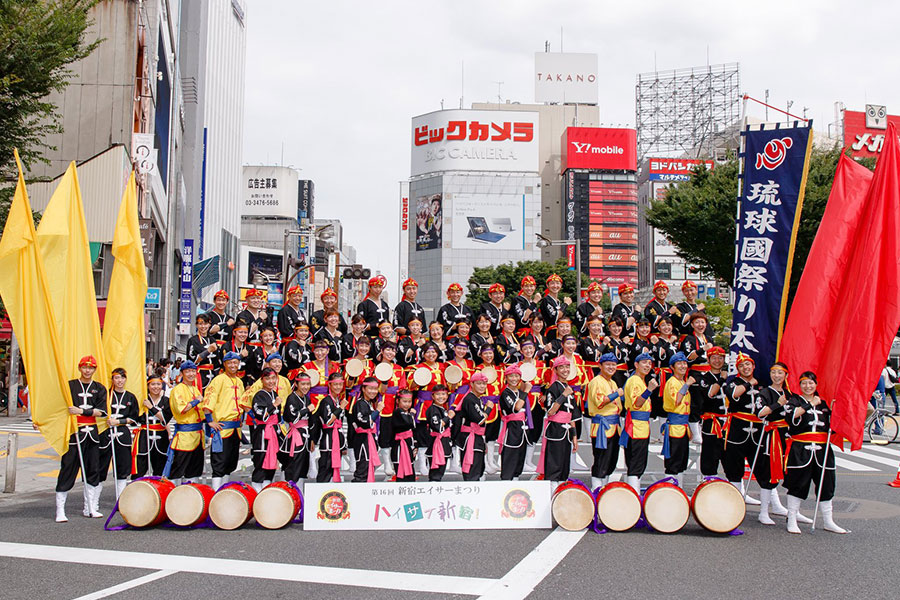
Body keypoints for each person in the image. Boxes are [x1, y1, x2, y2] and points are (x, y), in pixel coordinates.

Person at [783, 371, 847, 534]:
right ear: (800, 385)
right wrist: (809, 405)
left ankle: (828, 521)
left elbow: (833, 426)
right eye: (804, 383)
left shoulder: (824, 404)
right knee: (797, 483)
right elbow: (791, 417)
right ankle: (792, 518)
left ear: (816, 385)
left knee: (827, 484)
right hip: (801, 449)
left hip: (822, 450)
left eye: (811, 383)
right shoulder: (794, 401)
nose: (808, 386)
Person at [56, 356, 107, 522]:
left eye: (91, 368)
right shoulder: (70, 385)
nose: (87, 370)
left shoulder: (99, 388)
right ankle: (60, 510)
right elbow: (58, 406)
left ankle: (90, 507)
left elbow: (101, 412)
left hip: (91, 433)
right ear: (80, 368)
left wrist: (82, 411)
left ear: (94, 370)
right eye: (85, 367)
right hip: (73, 432)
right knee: (68, 468)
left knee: (93, 469)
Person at [723, 353, 774, 517]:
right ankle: (735, 506)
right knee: (734, 470)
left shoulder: (762, 385)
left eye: (748, 364)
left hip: (758, 433)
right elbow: (734, 394)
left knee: (764, 470)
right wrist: (748, 383)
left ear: (753, 366)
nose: (746, 367)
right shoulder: (732, 382)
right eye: (742, 365)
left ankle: (765, 511)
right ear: (737, 369)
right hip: (737, 431)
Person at [202, 351, 245, 490]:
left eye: (235, 362)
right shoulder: (218, 380)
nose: (233, 365)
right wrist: (210, 421)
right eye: (230, 362)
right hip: (222, 427)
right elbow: (209, 400)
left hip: (235, 428)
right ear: (225, 364)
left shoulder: (239, 381)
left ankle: (224, 489)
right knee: (219, 460)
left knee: (231, 462)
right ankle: (215, 491)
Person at [758, 361, 796, 519]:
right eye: (774, 372)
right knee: (769, 472)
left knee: (791, 472)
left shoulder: (790, 394)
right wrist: (777, 404)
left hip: (787, 435)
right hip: (772, 436)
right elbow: (760, 413)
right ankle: (763, 512)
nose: (777, 376)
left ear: (786, 375)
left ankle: (792, 512)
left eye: (780, 373)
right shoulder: (765, 392)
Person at [620, 353, 659, 494]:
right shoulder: (635, 381)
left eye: (650, 363)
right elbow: (637, 403)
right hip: (636, 427)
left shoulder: (640, 380)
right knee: (636, 463)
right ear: (636, 365)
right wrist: (649, 390)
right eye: (644, 362)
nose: (647, 365)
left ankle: (634, 491)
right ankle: (633, 494)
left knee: (638, 463)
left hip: (641, 426)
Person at [97, 368, 139, 499]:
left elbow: (134, 418)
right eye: (116, 378)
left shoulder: (130, 396)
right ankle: (93, 503)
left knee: (122, 468)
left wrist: (119, 421)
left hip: (122, 434)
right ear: (112, 379)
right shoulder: (106, 395)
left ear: (126, 379)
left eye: (122, 378)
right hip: (106, 434)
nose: (119, 381)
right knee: (100, 467)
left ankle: (120, 500)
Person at [538, 356, 581, 482]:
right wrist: (563, 396)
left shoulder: (568, 387)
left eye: (567, 367)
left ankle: (561, 492)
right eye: (561, 367)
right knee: (554, 465)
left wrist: (574, 437)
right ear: (555, 370)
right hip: (555, 430)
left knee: (564, 466)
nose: (565, 370)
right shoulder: (553, 388)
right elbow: (551, 411)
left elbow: (572, 414)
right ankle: (552, 493)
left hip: (567, 432)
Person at [162, 361, 205, 484]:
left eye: (193, 371)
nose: (191, 374)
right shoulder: (178, 390)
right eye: (188, 371)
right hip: (184, 435)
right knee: (178, 468)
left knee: (195, 469)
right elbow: (182, 409)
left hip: (198, 434)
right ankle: (175, 495)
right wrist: (196, 401)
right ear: (182, 373)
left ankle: (192, 495)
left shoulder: (195, 389)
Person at [585, 353, 622, 490]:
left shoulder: (612, 382)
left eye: (613, 365)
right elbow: (600, 402)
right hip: (602, 426)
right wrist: (617, 394)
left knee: (611, 460)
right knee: (601, 459)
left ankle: (604, 488)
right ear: (600, 366)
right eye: (608, 364)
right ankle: (596, 489)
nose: (611, 367)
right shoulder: (596, 381)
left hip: (614, 426)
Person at [248, 367, 283, 491]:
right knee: (261, 461)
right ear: (262, 380)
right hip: (263, 432)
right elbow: (261, 415)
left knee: (271, 464)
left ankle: (267, 490)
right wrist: (274, 405)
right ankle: (257, 491)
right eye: (267, 379)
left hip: (274, 430)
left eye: (273, 378)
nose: (271, 381)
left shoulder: (274, 394)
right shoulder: (259, 395)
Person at [661, 353, 693, 487]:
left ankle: (678, 489)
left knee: (681, 462)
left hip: (683, 426)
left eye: (684, 363)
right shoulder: (672, 382)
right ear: (672, 367)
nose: (683, 366)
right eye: (679, 363)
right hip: (675, 427)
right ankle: (670, 489)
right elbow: (677, 401)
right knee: (673, 462)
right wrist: (687, 385)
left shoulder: (680, 382)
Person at [696, 346, 728, 478]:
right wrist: (721, 380)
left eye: (720, 358)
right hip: (711, 422)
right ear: (708, 360)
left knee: (729, 455)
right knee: (710, 454)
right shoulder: (704, 378)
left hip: (727, 422)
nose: (717, 361)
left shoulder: (730, 377)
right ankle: (707, 483)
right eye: (714, 358)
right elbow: (710, 394)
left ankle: (736, 488)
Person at [132, 374, 172, 479]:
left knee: (160, 468)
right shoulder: (142, 399)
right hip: (144, 435)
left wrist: (151, 407)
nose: (156, 387)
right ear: (148, 385)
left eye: (158, 384)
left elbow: (165, 418)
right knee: (140, 466)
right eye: (153, 384)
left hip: (161, 435)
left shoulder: (166, 400)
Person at [279, 372, 314, 486]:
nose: (305, 387)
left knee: (303, 465)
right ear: (296, 384)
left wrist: (312, 438)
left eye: (308, 384)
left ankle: (299, 493)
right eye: (303, 384)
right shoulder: (292, 398)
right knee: (294, 464)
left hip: (305, 435)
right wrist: (306, 410)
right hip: (295, 435)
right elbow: (292, 417)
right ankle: (289, 490)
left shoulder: (306, 398)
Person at [456, 372, 491, 481]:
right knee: (472, 469)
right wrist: (489, 409)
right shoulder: (470, 399)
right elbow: (480, 420)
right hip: (470, 438)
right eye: (479, 383)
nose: (482, 386)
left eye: (484, 384)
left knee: (478, 467)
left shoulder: (477, 399)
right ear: (472, 384)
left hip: (477, 437)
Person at [498, 365, 531, 481]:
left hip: (522, 429)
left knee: (519, 462)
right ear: (506, 377)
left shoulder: (518, 392)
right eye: (511, 376)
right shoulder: (505, 393)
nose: (514, 379)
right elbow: (516, 407)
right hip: (511, 429)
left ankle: (516, 483)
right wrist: (526, 390)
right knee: (509, 460)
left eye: (517, 376)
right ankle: (506, 485)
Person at [315, 372, 348, 482]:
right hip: (328, 439)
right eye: (335, 384)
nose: (338, 387)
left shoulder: (337, 400)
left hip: (337, 438)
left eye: (340, 384)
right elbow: (328, 421)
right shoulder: (326, 401)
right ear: (329, 385)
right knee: (325, 468)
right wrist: (340, 408)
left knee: (333, 469)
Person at [349, 377, 383, 482]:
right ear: (363, 389)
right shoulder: (360, 403)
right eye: (370, 388)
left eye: (375, 389)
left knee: (368, 466)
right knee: (363, 467)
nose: (373, 391)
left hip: (368, 439)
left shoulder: (368, 403)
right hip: (362, 440)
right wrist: (377, 410)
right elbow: (365, 422)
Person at [425, 385, 453, 481]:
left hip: (444, 443)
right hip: (437, 445)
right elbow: (437, 427)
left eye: (443, 394)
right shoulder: (433, 409)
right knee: (435, 474)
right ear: (432, 396)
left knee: (440, 473)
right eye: (438, 394)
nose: (441, 397)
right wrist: (448, 417)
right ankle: (433, 491)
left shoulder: (442, 408)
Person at [186, 313, 220, 391]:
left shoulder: (212, 340)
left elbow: (217, 362)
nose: (203, 326)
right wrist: (208, 351)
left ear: (209, 325)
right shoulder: (193, 340)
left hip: (213, 375)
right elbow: (192, 360)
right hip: (199, 375)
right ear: (196, 325)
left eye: (205, 324)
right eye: (200, 324)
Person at [392, 389, 417, 482]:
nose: (407, 404)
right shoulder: (398, 411)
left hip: (408, 444)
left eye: (409, 401)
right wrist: (412, 414)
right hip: (400, 445)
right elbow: (409, 423)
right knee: (401, 471)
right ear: (398, 401)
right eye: (404, 401)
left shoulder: (406, 413)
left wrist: (415, 445)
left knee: (410, 467)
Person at [227, 323, 263, 387]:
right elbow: (226, 364)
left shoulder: (249, 348)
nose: (243, 335)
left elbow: (251, 367)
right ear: (234, 333)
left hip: (244, 379)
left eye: (245, 332)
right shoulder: (227, 346)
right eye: (240, 332)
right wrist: (241, 356)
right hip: (228, 378)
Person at [539, 274, 566, 341]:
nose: (555, 286)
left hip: (560, 333)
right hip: (550, 334)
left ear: (561, 285)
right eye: (552, 283)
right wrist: (566, 304)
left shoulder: (558, 301)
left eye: (557, 283)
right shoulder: (546, 300)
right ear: (547, 285)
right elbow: (555, 317)